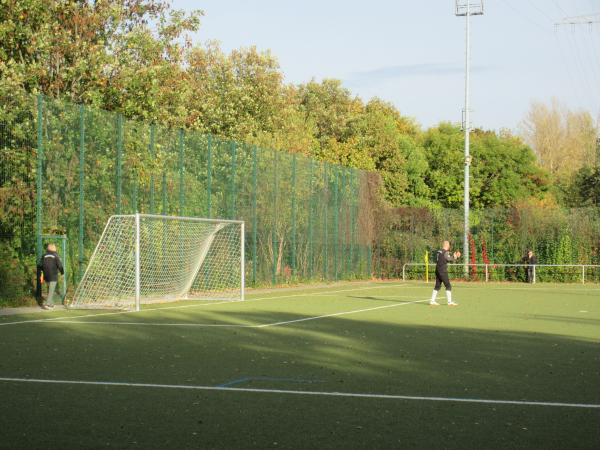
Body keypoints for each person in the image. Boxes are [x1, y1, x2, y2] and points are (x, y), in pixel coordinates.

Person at [430, 240, 461, 307]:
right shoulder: (446, 252)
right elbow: (449, 259)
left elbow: (443, 258)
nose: (449, 246)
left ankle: (432, 301)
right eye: (449, 245)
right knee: (448, 286)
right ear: (447, 245)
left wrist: (453, 255)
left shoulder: (438, 252)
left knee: (437, 286)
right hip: (443, 271)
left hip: (437, 270)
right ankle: (449, 302)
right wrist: (455, 257)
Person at [37, 243, 64, 310]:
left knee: (50, 289)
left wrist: (41, 273)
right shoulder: (56, 255)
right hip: (53, 275)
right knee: (51, 290)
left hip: (46, 275)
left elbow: (40, 265)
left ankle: (51, 304)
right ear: (54, 248)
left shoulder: (44, 255)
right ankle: (47, 304)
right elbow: (60, 265)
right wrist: (62, 273)